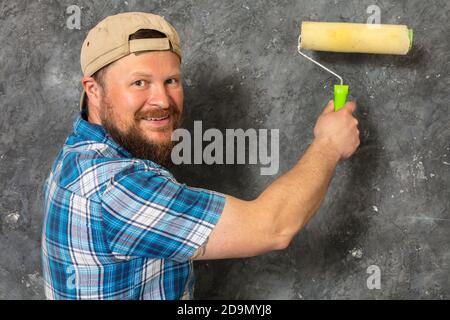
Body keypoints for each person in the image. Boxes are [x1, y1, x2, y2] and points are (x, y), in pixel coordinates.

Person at [41, 12, 360, 300]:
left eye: (171, 81)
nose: (162, 100)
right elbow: (273, 228)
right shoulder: (112, 186)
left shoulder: (84, 152)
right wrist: (329, 145)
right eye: (140, 82)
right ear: (93, 90)